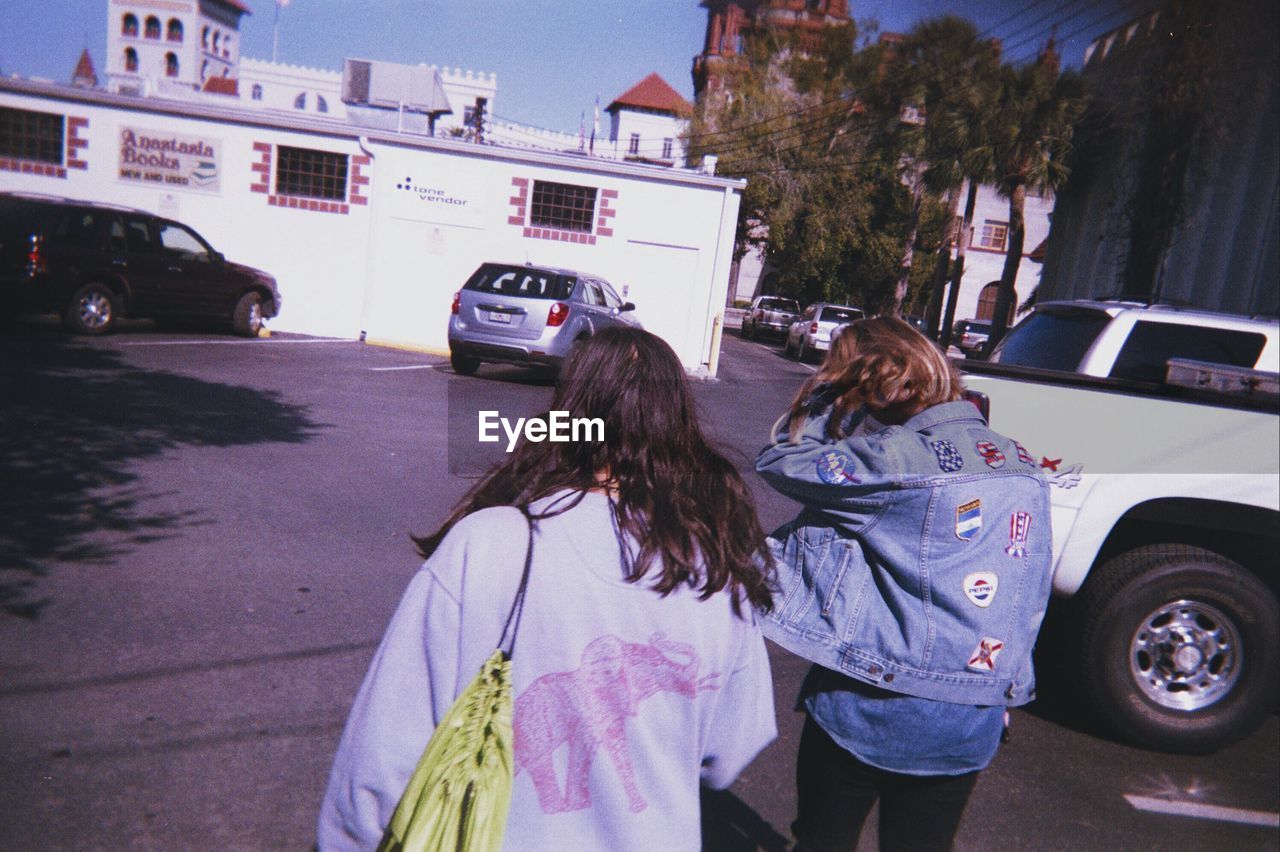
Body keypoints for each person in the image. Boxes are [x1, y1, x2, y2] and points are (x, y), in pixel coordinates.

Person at [318, 326, 778, 851]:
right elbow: (731, 751)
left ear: (568, 414)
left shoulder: (489, 544)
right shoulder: (716, 568)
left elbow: (379, 759)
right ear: (676, 426)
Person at [755, 316, 1053, 852]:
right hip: (970, 713)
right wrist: (1004, 685)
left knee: (822, 841)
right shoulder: (1024, 464)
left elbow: (781, 460)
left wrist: (831, 395)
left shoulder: (890, 461)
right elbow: (1026, 592)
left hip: (869, 702)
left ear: (869, 383)